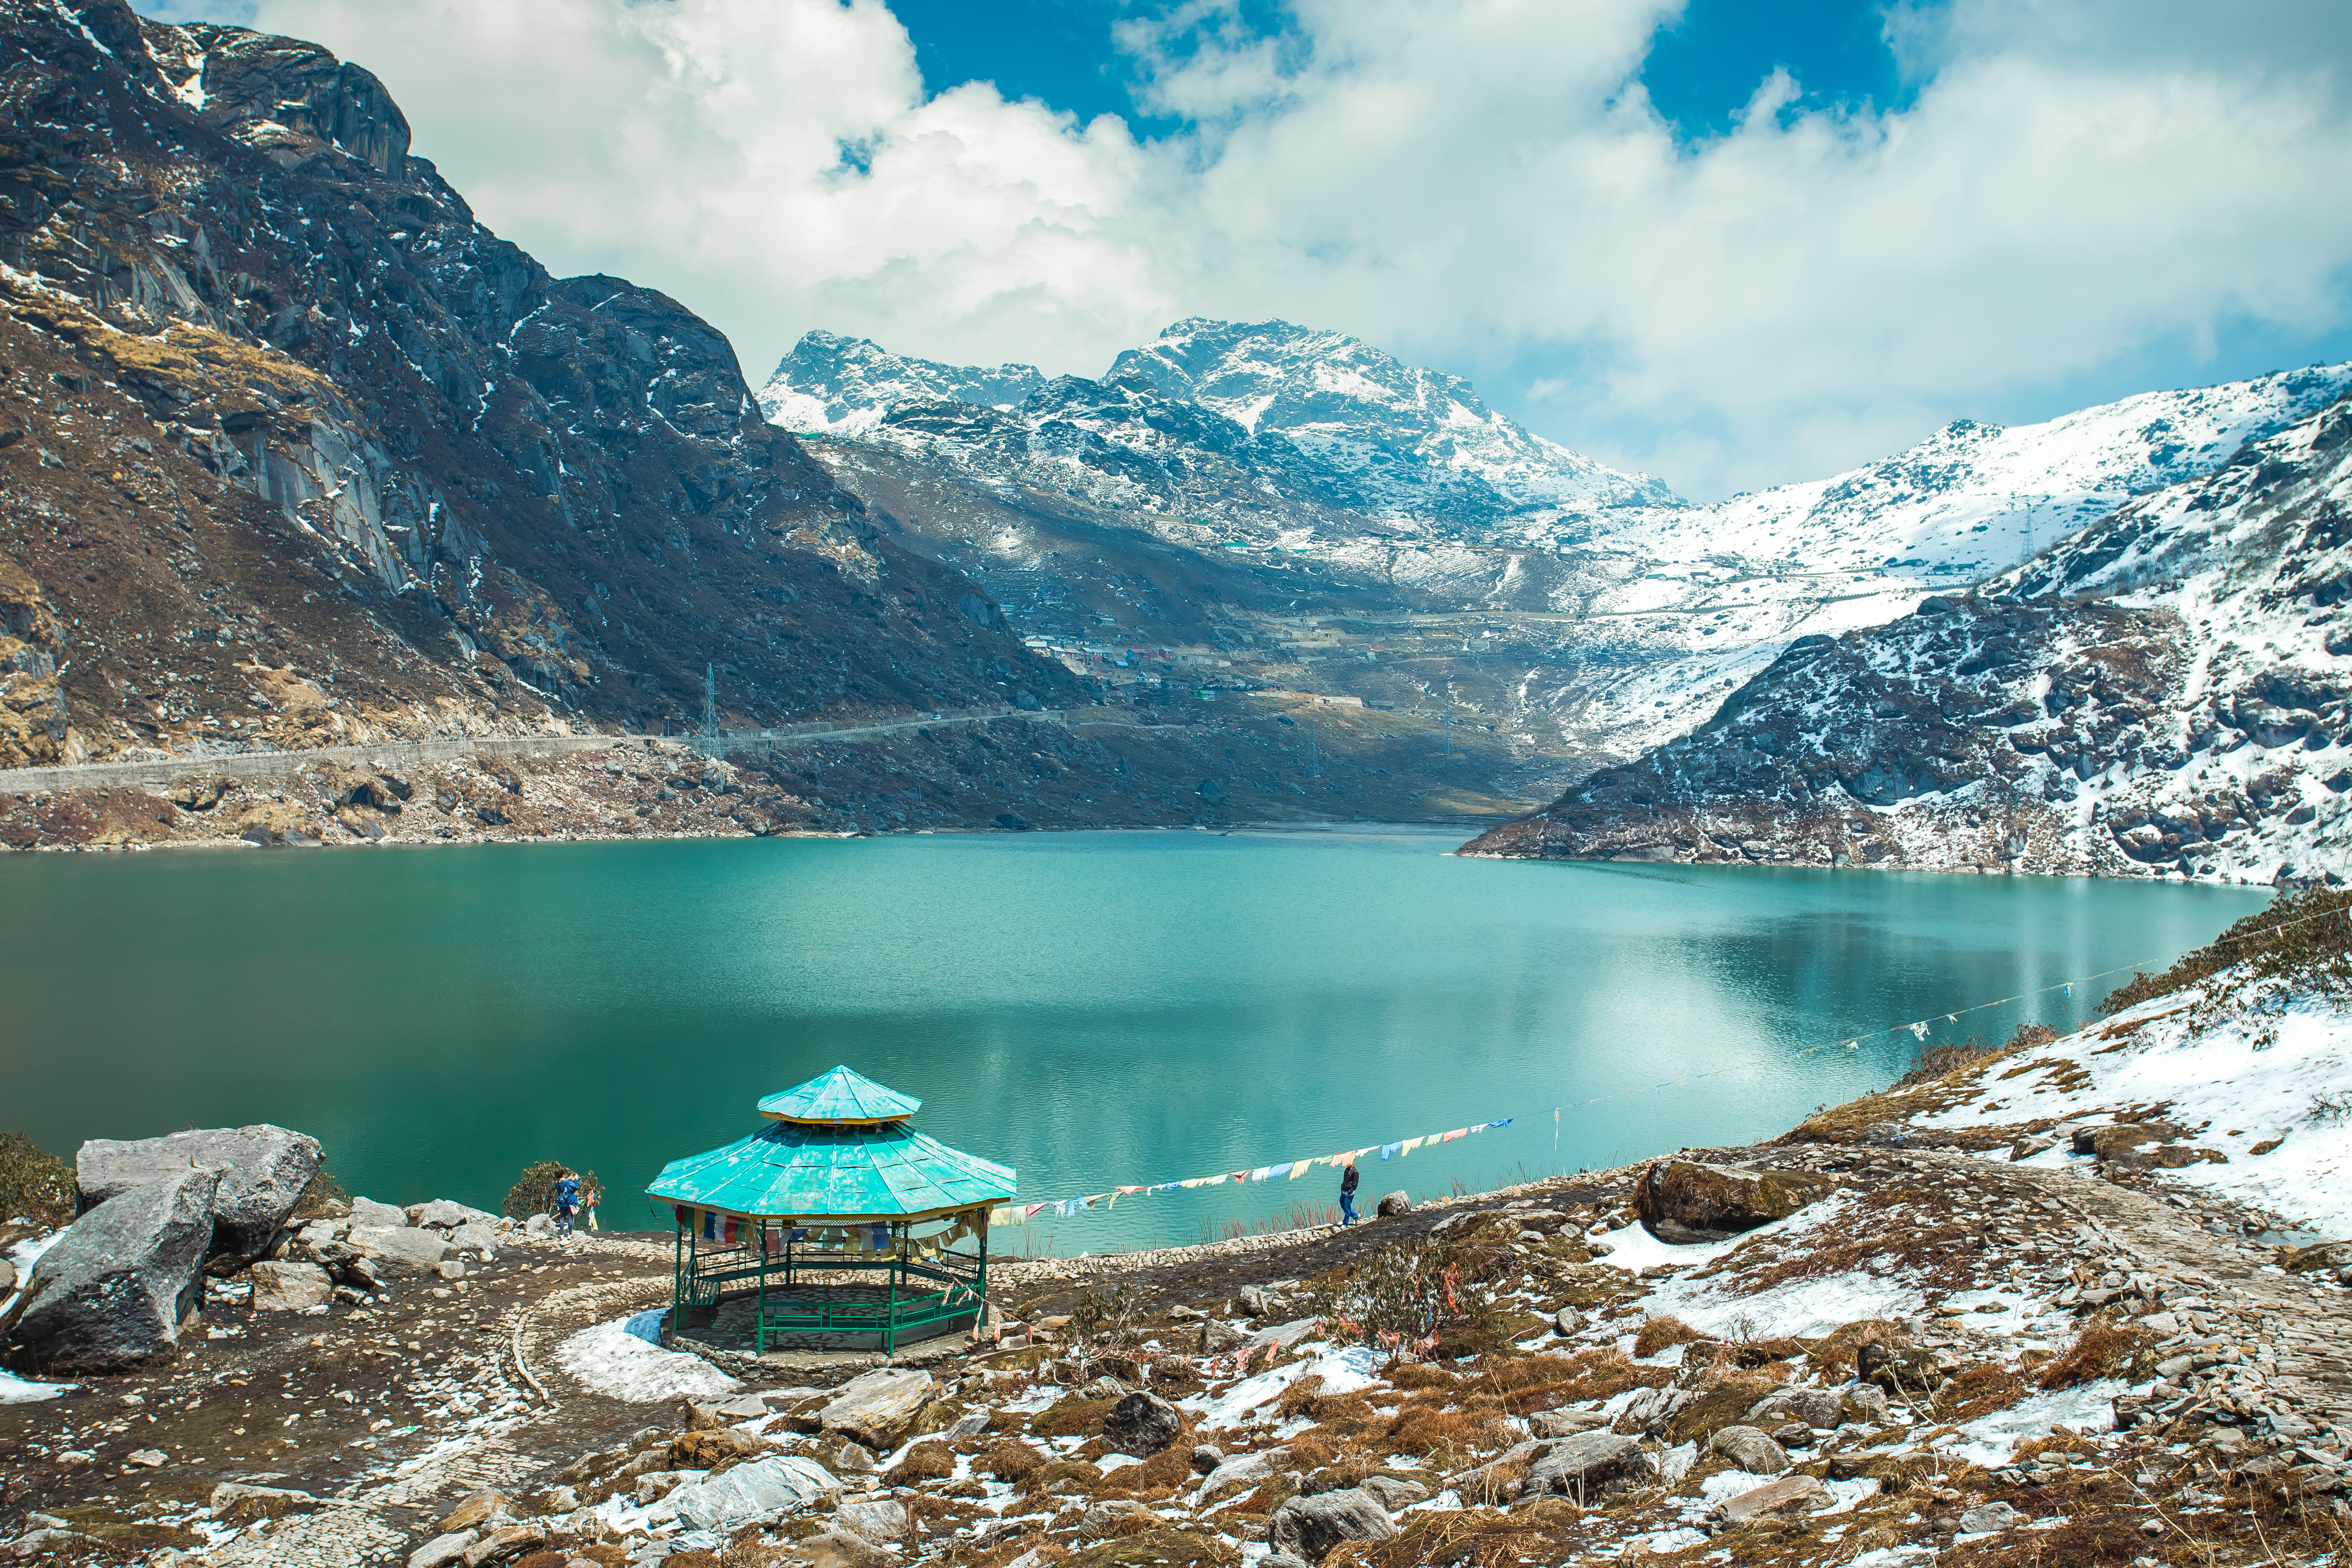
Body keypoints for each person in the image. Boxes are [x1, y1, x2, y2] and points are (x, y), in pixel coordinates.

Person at [553, 1170, 580, 1239]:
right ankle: (570, 1234)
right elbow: (576, 1187)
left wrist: (568, 1179)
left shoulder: (557, 1184)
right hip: (570, 1203)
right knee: (570, 1219)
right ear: (564, 1175)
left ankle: (562, 1235)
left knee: (562, 1218)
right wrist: (576, 1179)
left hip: (562, 1203)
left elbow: (563, 1185)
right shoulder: (568, 1183)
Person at [1338, 1160, 1359, 1227]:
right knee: (1343, 1205)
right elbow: (1344, 1180)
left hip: (1349, 1193)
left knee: (1347, 1208)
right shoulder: (1347, 1170)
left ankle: (1345, 1223)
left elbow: (1355, 1184)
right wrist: (1342, 1188)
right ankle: (1355, 1216)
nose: (1348, 1164)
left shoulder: (1356, 1173)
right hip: (1344, 1191)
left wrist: (1350, 1192)